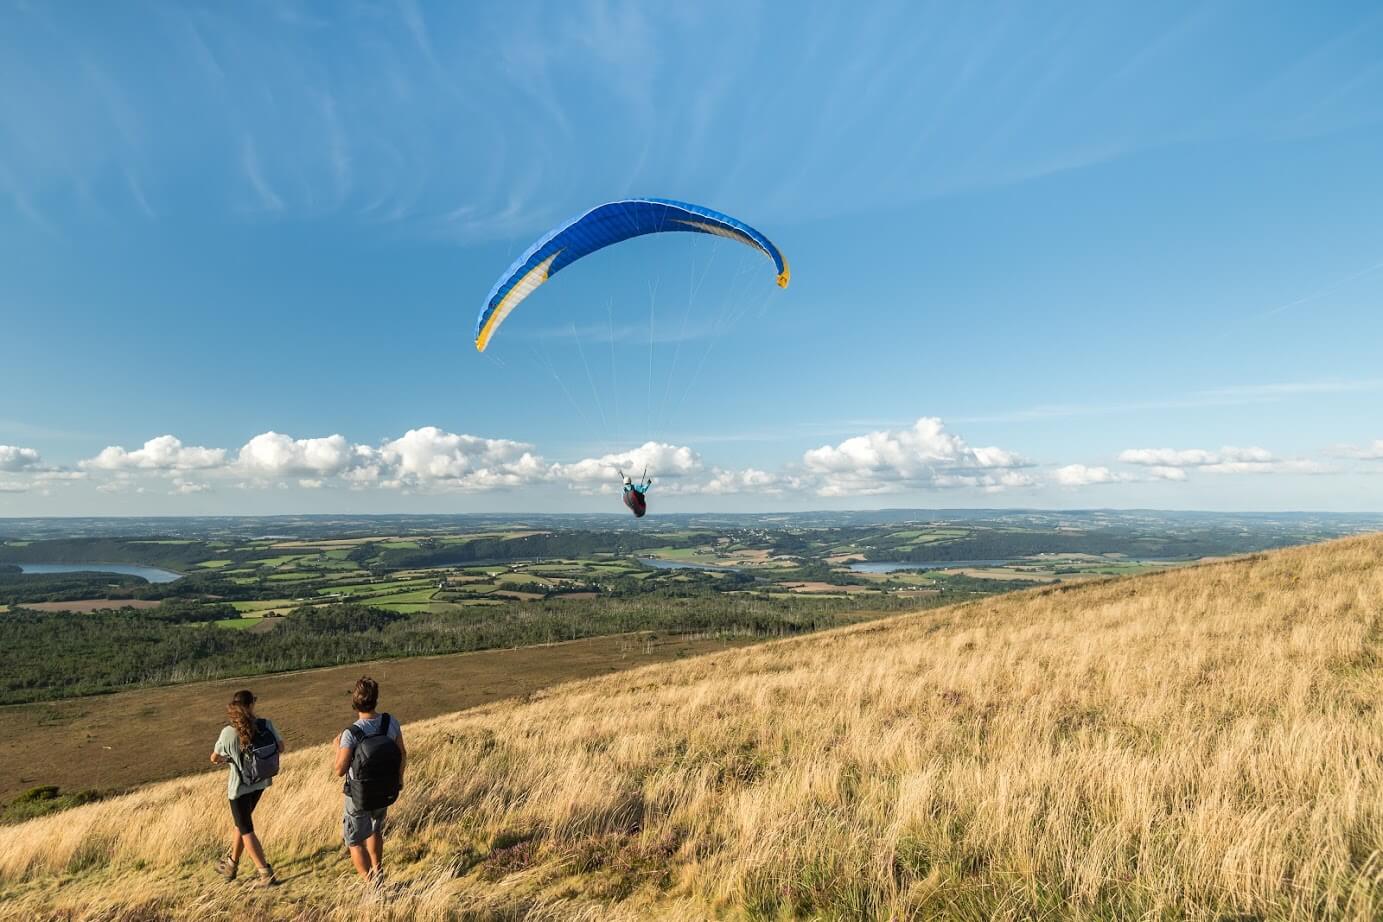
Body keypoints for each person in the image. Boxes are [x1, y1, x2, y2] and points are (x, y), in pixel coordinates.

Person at [335, 676, 406, 885]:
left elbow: (339, 770)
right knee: (375, 829)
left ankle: (371, 884)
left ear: (355, 702)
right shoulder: (390, 722)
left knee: (354, 840)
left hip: (358, 795)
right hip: (384, 788)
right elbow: (402, 753)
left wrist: (336, 749)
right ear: (376, 699)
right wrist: (399, 779)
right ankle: (378, 870)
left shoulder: (350, 733)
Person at [210, 689, 285, 887]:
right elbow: (281, 747)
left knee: (246, 829)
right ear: (252, 705)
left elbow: (214, 758)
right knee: (242, 825)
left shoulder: (228, 733)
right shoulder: (266, 724)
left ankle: (265, 874)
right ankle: (231, 866)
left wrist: (227, 758)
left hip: (239, 788)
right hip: (260, 782)